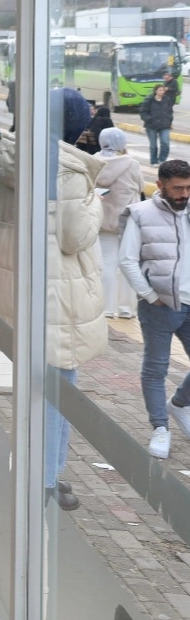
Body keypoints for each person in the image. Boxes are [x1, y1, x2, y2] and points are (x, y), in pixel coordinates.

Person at [0, 133, 106, 510]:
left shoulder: (8, 163)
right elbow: (74, 236)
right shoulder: (65, 172)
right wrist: (96, 204)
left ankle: (45, 470)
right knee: (58, 391)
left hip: (21, 290)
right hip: (55, 298)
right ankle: (44, 480)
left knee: (42, 389)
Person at [119, 159, 190, 459]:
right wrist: (149, 295)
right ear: (160, 185)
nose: (183, 194)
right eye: (177, 188)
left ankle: (180, 404)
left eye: (188, 188)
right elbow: (127, 260)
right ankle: (160, 427)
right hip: (160, 306)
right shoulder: (141, 213)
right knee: (156, 368)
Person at [94, 129, 142, 320]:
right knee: (128, 263)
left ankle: (107, 308)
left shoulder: (93, 161)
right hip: (127, 220)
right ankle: (126, 308)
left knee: (107, 263)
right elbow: (140, 186)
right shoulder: (131, 163)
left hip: (103, 220)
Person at [141, 84, 176, 166]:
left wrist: (170, 121)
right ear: (155, 91)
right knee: (153, 145)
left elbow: (170, 112)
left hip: (164, 125)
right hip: (151, 125)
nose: (161, 92)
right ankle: (154, 161)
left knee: (165, 143)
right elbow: (143, 112)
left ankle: (162, 160)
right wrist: (149, 119)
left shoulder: (167, 100)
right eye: (159, 90)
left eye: (163, 90)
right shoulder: (149, 100)